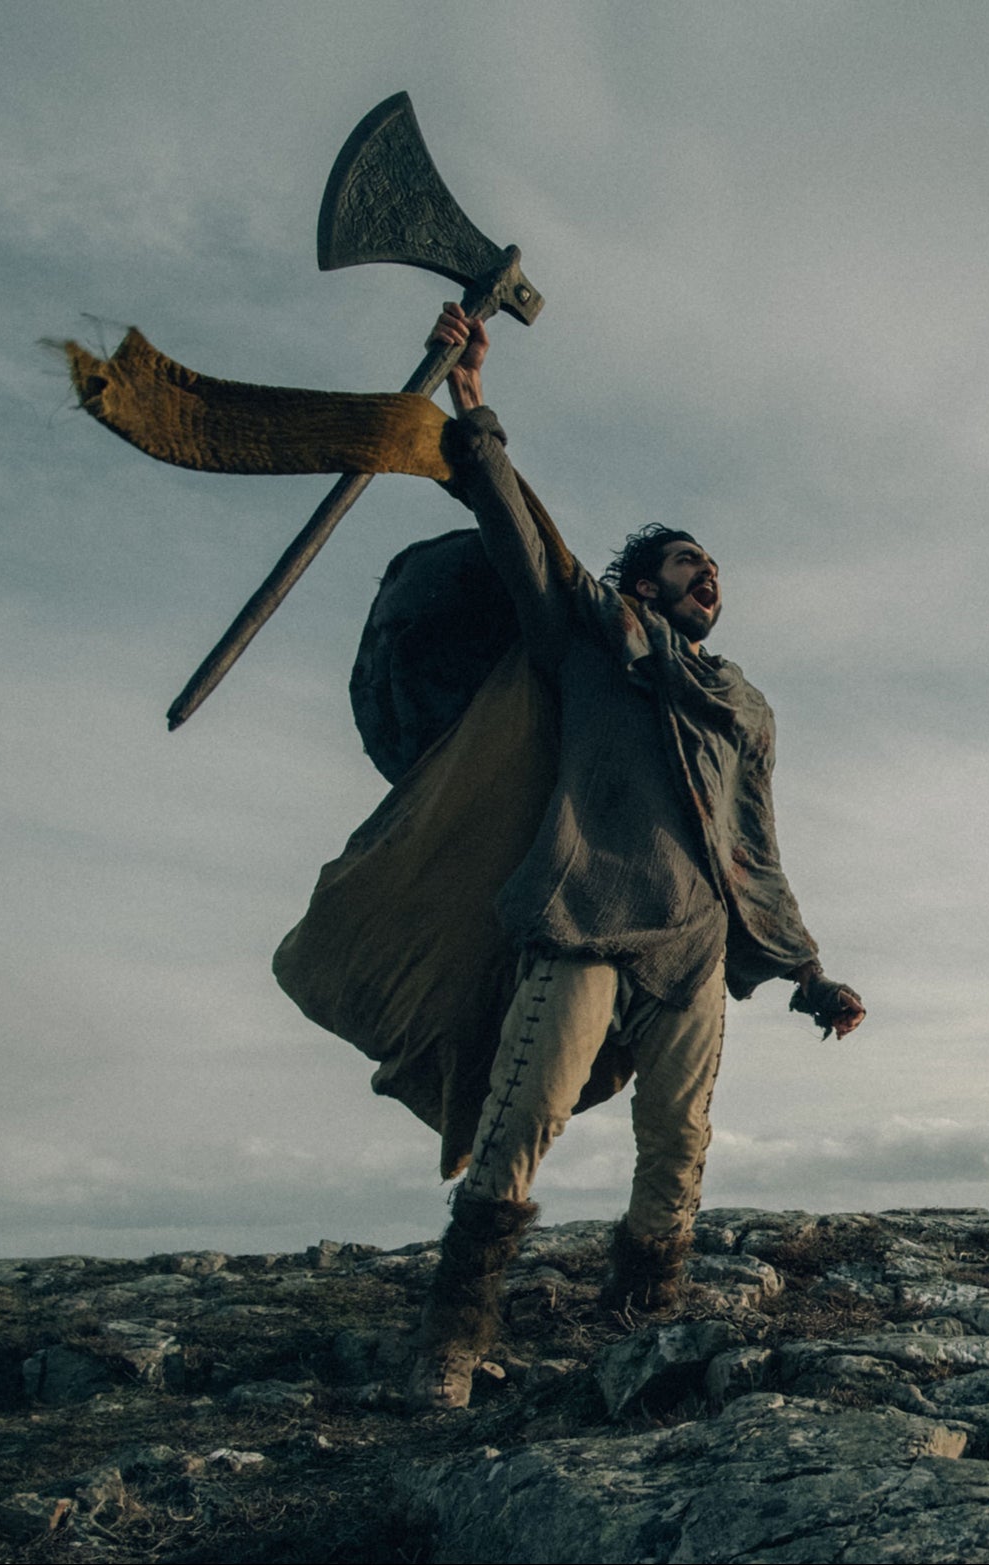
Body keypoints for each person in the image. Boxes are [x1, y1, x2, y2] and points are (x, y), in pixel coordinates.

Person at [408, 302, 864, 1409]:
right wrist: (474, 402)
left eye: (714, 567)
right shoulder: (588, 639)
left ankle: (640, 1320)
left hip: (695, 947)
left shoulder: (740, 702)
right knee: (521, 1123)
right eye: (684, 563)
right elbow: (521, 534)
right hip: (584, 917)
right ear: (643, 580)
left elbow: (752, 841)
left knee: (679, 1149)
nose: (708, 576)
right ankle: (448, 1347)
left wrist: (806, 972)